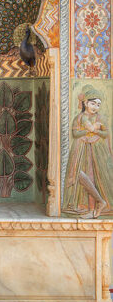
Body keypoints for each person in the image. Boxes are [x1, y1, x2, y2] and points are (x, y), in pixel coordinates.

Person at [63, 86, 113, 218]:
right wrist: (88, 131)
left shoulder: (100, 118)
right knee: (78, 173)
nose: (95, 107)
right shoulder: (79, 118)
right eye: (93, 103)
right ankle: (96, 203)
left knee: (95, 176)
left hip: (97, 150)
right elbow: (75, 133)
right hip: (80, 148)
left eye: (98, 104)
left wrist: (96, 131)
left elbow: (106, 133)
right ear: (85, 103)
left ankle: (95, 207)